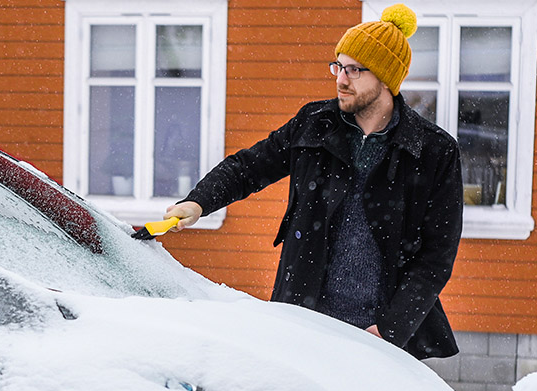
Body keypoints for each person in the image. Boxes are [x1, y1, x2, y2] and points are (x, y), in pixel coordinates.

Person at [163, 4, 463, 359]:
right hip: (304, 321)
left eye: (354, 70)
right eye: (338, 65)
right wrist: (198, 202)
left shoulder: (433, 151)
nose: (340, 78)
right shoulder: (315, 123)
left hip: (380, 336)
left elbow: (436, 256)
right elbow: (250, 166)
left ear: (385, 78)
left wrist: (389, 330)